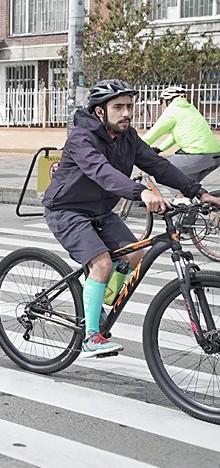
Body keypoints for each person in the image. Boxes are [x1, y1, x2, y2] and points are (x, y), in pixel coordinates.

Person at [42, 79, 220, 357]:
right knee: (101, 262)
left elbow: (158, 164)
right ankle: (91, 337)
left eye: (129, 106)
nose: (127, 113)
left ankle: (96, 299)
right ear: (100, 111)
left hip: (100, 211)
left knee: (137, 255)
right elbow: (100, 171)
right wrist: (141, 193)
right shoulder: (81, 138)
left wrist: (198, 192)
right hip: (67, 209)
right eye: (119, 107)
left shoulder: (128, 138)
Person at [142, 86, 220, 182]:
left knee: (163, 168)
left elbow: (153, 134)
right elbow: (174, 137)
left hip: (197, 155)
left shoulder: (172, 111)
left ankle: (182, 196)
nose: (161, 105)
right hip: (215, 155)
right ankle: (203, 196)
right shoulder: (190, 109)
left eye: (161, 102)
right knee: (189, 186)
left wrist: (133, 147)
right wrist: (159, 149)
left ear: (168, 101)